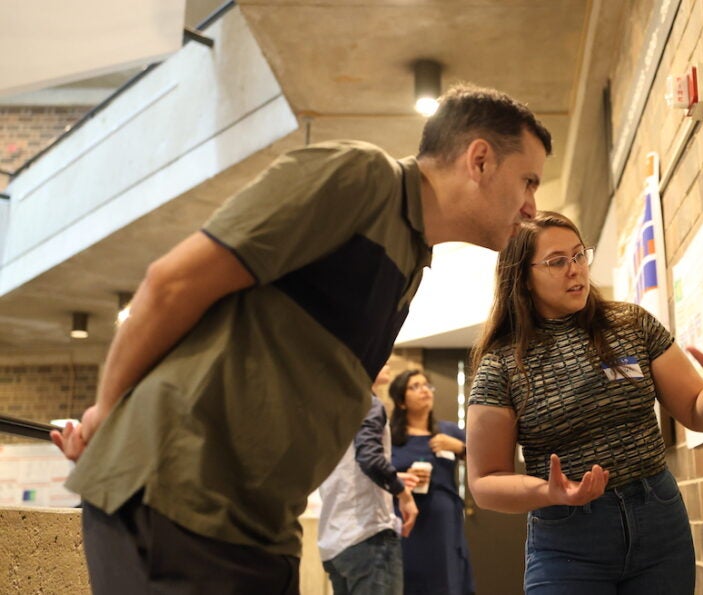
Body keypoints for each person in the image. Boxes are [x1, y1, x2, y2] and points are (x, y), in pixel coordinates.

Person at [49, 84, 551, 592]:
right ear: (480, 160)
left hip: (261, 526)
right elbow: (171, 283)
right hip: (174, 496)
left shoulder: (413, 262)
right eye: (528, 180)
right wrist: (105, 414)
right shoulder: (361, 177)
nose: (532, 206)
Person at [467, 211, 703, 593]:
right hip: (567, 540)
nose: (575, 269)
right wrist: (550, 492)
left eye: (579, 255)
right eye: (557, 262)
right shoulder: (502, 363)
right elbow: (485, 482)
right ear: (522, 278)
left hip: (657, 520)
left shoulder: (630, 325)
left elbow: (698, 412)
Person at [318, 364, 420, 595]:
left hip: (334, 540)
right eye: (381, 358)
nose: (388, 363)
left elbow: (347, 464)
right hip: (367, 536)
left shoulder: (331, 408)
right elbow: (369, 458)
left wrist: (393, 476)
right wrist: (403, 493)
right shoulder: (368, 403)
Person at [388, 369, 475, 595]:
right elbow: (376, 474)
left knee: (446, 581)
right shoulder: (390, 437)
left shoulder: (449, 432)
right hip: (406, 520)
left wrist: (460, 448)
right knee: (406, 581)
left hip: (443, 523)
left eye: (427, 385)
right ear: (401, 401)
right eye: (415, 386)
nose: (424, 390)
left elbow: (485, 460)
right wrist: (404, 478)